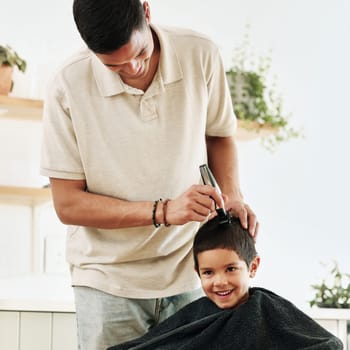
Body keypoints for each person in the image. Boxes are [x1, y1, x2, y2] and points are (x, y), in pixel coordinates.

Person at [40, 0, 258, 349]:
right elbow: (68, 204)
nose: (134, 68)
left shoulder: (200, 53)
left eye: (139, 52)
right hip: (108, 278)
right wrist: (163, 211)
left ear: (146, 11)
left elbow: (218, 133)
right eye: (115, 66)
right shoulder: (68, 85)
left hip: (191, 271)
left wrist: (232, 195)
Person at [107, 216, 343, 350]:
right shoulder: (195, 314)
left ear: (252, 267)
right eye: (208, 273)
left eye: (230, 269)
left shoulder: (269, 310)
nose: (220, 282)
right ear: (197, 272)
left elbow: (330, 345)